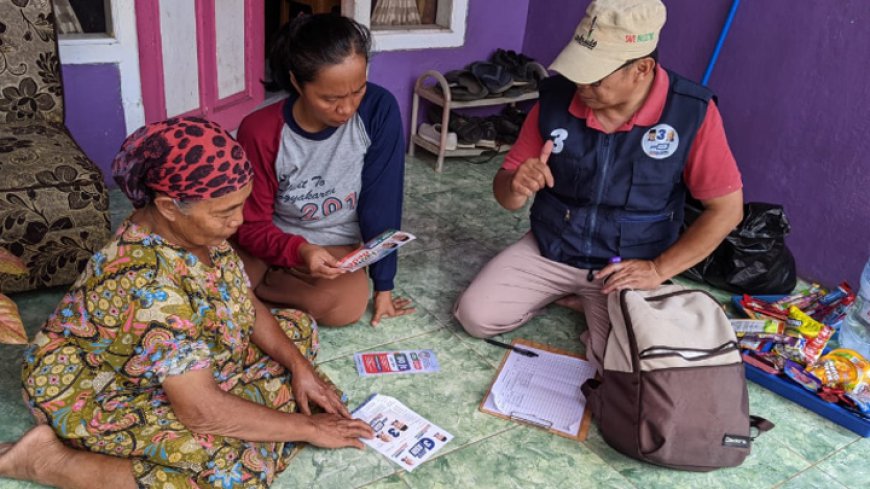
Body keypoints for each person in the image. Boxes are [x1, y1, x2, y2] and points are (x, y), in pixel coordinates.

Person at [0, 118, 374, 489]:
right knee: (233, 473)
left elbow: (240, 299)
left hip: (184, 363)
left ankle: (244, 415)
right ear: (168, 206)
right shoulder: (147, 284)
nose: (239, 221)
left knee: (298, 329)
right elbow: (201, 412)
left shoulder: (198, 233)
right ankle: (48, 461)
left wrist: (299, 367)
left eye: (240, 205)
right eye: (225, 212)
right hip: (97, 389)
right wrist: (308, 428)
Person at [454, 0, 744, 371]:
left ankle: (591, 301)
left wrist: (657, 270)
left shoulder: (691, 113)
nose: (581, 85)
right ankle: (573, 292)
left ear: (642, 69)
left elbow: (727, 210)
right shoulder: (555, 99)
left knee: (625, 364)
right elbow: (505, 194)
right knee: (475, 316)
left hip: (627, 266)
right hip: (553, 249)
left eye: (595, 76)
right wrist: (515, 184)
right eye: (579, 70)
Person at [235, 14, 414, 327]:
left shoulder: (378, 110)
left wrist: (384, 285)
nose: (346, 109)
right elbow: (251, 224)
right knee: (215, 281)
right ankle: (262, 287)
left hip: (335, 248)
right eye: (330, 98)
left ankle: (258, 293)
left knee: (345, 306)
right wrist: (299, 250)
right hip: (272, 238)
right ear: (296, 82)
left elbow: (383, 200)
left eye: (357, 91)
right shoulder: (260, 130)